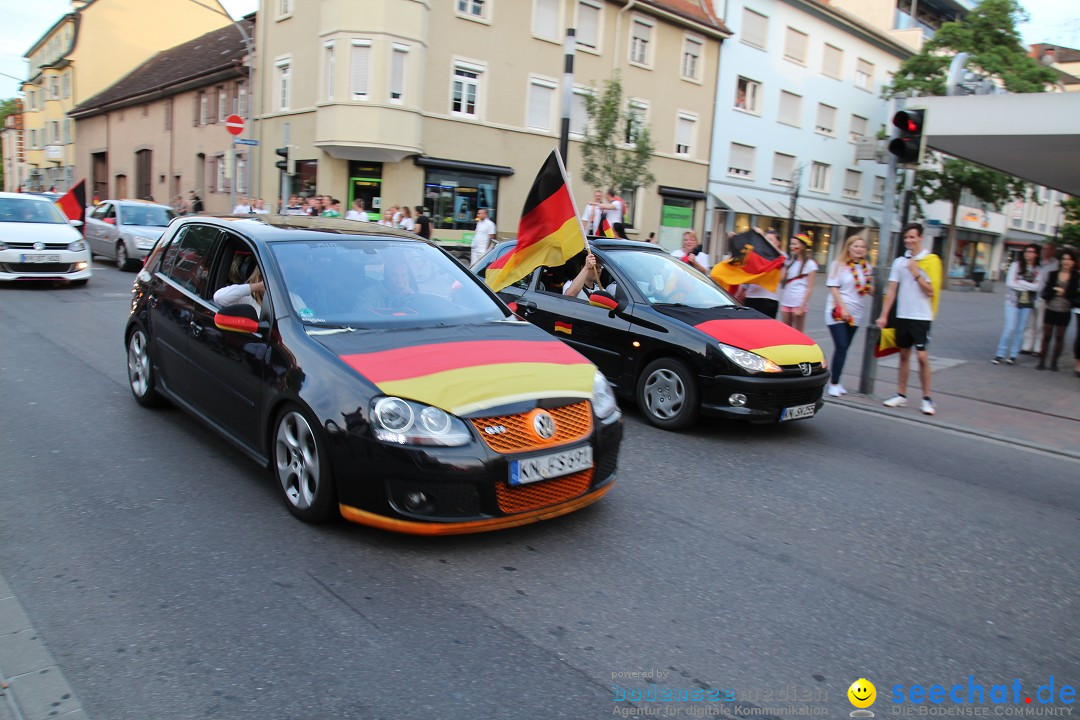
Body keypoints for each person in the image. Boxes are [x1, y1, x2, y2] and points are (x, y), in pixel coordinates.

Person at [877, 223, 939, 416]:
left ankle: (927, 398)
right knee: (903, 355)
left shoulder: (930, 261)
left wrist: (916, 273)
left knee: (922, 357)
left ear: (920, 237)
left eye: (912, 237)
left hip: (921, 316)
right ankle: (901, 394)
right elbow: (893, 289)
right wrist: (884, 314)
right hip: (902, 315)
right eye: (906, 238)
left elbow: (930, 291)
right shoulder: (899, 262)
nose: (909, 241)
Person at [824, 235, 872, 397]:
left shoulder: (866, 267)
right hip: (838, 312)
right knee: (841, 345)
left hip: (856, 313)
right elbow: (833, 287)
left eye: (862, 247)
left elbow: (867, 289)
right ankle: (834, 383)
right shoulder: (838, 265)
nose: (859, 249)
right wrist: (842, 308)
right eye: (856, 246)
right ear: (849, 247)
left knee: (844, 349)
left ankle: (837, 381)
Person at [992, 244, 1041, 365]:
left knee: (1020, 329)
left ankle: (1013, 355)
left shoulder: (1038, 269)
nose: (1028, 254)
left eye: (1031, 252)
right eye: (1026, 251)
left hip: (1027, 302)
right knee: (1010, 327)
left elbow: (1037, 287)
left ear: (1036, 254)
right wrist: (1027, 285)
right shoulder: (1016, 265)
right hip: (1012, 300)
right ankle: (1000, 354)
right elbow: (1010, 283)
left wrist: (1021, 282)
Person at [1035, 249, 1078, 371]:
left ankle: (1054, 362)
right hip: (1051, 307)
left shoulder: (1076, 276)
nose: (1066, 261)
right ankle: (1042, 361)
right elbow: (1046, 290)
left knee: (1060, 336)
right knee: (1047, 335)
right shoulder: (1053, 274)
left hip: (1065, 309)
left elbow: (1075, 293)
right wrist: (1052, 293)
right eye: (1064, 259)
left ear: (1073, 262)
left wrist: (1065, 292)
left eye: (1069, 259)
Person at [1020, 241, 1059, 357]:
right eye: (1043, 249)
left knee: (1040, 324)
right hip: (1031, 295)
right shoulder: (1038, 263)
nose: (1045, 252)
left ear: (1053, 251)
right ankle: (1027, 346)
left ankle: (1038, 347)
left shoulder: (1056, 264)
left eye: (1048, 249)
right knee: (1030, 322)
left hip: (1044, 296)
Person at [741, 228, 785, 318]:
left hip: (768, 299)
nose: (766, 242)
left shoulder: (781, 256)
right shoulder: (755, 254)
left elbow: (781, 277)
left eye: (770, 240)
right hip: (751, 296)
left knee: (765, 328)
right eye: (765, 239)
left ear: (778, 242)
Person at [779, 233, 818, 331]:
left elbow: (809, 288)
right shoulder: (789, 262)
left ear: (803, 246)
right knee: (785, 332)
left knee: (798, 333)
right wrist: (782, 262)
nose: (792, 247)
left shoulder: (810, 264)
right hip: (786, 301)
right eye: (791, 244)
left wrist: (802, 306)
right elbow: (781, 278)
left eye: (795, 244)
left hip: (798, 302)